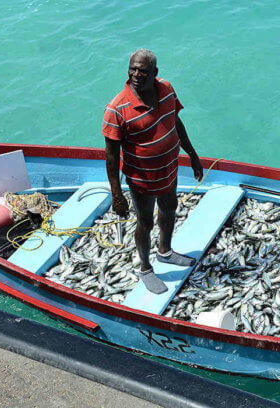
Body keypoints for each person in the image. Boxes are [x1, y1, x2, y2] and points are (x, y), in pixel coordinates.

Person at [102, 49, 204, 294]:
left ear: (155, 73)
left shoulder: (166, 89)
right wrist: (116, 194)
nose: (136, 74)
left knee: (170, 209)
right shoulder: (117, 109)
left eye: (143, 71)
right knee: (145, 222)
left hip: (169, 168)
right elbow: (111, 156)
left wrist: (192, 154)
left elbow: (175, 122)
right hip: (142, 179)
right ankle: (146, 268)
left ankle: (165, 252)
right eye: (133, 69)